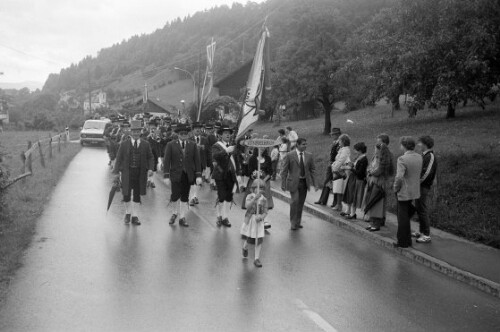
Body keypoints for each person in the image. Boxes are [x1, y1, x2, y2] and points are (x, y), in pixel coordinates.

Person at [113, 120, 154, 226]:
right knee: (126, 195)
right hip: (127, 173)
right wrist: (116, 172)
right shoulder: (124, 144)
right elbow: (118, 158)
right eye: (134, 131)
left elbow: (150, 157)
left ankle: (135, 216)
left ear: (140, 132)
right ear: (131, 132)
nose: (136, 133)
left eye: (138, 131)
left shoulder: (145, 144)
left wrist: (150, 168)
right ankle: (127, 213)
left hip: (140, 174)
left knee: (137, 195)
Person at [163, 121, 202, 227]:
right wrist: (166, 175)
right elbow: (167, 161)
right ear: (178, 134)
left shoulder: (193, 145)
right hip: (175, 174)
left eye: (185, 133)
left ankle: (182, 217)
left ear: (188, 134)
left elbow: (197, 161)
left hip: (188, 175)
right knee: (175, 196)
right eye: (181, 134)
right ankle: (174, 213)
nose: (183, 135)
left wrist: (198, 175)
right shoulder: (170, 145)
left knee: (185, 196)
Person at [281, 138, 318, 230]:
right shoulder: (290, 155)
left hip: (304, 182)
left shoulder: (309, 155)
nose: (305, 146)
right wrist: (283, 183)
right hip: (293, 183)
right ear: (297, 145)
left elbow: (312, 170)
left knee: (300, 203)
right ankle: (293, 223)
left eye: (306, 144)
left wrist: (315, 183)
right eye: (303, 144)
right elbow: (284, 171)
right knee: (294, 202)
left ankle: (298, 222)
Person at [393, 136, 423, 248]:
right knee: (405, 214)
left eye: (401, 144)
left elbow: (399, 177)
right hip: (414, 190)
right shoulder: (419, 157)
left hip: (404, 191)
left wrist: (395, 188)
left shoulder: (402, 159)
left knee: (402, 217)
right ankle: (407, 240)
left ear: (404, 146)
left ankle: (402, 241)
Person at [212, 125, 241, 227]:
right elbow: (215, 156)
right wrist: (226, 151)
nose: (228, 134)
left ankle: (225, 217)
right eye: (225, 133)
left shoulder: (233, 146)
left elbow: (237, 161)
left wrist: (239, 173)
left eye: (229, 133)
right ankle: (219, 216)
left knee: (229, 197)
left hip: (231, 174)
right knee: (221, 196)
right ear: (220, 135)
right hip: (220, 174)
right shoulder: (216, 145)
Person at [410, 136, 437, 243]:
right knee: (419, 208)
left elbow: (427, 173)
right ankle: (421, 231)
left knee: (422, 210)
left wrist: (417, 182)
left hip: (423, 186)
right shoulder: (424, 155)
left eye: (419, 143)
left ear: (425, 144)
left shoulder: (430, 156)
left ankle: (426, 234)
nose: (418, 145)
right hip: (419, 186)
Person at [365, 134, 395, 231]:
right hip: (373, 180)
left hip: (379, 182)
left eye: (379, 142)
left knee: (377, 202)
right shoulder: (377, 154)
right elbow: (371, 165)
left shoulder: (386, 155)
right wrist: (369, 170)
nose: (377, 144)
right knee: (373, 201)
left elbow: (379, 170)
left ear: (384, 143)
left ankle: (376, 223)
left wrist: (371, 172)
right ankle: (373, 221)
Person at [240, 179, 268, 268]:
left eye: (261, 189)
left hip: (258, 222)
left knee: (259, 239)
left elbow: (265, 212)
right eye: (258, 188)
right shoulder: (249, 196)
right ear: (253, 189)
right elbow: (247, 206)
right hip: (251, 220)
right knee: (250, 238)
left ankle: (256, 259)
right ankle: (245, 247)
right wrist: (254, 199)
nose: (260, 190)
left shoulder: (264, 199)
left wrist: (261, 217)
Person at [315, 128, 341, 206]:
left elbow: (338, 156)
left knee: (335, 183)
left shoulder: (339, 144)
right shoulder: (335, 142)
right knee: (327, 181)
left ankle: (335, 202)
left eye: (333, 134)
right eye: (332, 134)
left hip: (335, 165)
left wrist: (333, 164)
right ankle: (323, 199)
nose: (332, 136)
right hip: (331, 164)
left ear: (337, 134)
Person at [344, 142, 368, 220]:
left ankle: (353, 213)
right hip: (355, 178)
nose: (354, 151)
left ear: (360, 150)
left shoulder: (363, 159)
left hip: (358, 180)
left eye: (356, 150)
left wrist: (351, 168)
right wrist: (352, 165)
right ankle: (352, 213)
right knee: (353, 195)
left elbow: (360, 172)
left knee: (355, 196)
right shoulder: (359, 157)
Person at [189, 122, 209, 206]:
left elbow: (208, 152)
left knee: (198, 181)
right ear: (193, 130)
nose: (198, 129)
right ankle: (192, 198)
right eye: (196, 128)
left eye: (199, 128)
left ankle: (195, 196)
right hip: (191, 163)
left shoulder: (204, 139)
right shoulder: (189, 139)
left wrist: (209, 163)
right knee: (191, 181)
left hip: (201, 163)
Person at [331, 134, 351, 212]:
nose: (339, 142)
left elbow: (341, 160)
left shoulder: (345, 150)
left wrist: (335, 168)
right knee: (338, 187)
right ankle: (338, 204)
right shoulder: (342, 149)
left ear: (343, 141)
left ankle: (339, 204)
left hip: (342, 170)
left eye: (340, 140)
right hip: (339, 169)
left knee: (339, 187)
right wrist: (334, 165)